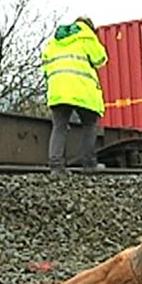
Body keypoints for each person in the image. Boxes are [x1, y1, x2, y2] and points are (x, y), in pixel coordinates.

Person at [42, 16, 108, 174]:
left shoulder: (54, 42)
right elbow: (101, 59)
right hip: (81, 89)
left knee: (59, 126)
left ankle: (56, 167)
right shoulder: (87, 36)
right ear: (89, 27)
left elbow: (45, 66)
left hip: (58, 89)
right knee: (89, 125)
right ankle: (89, 164)